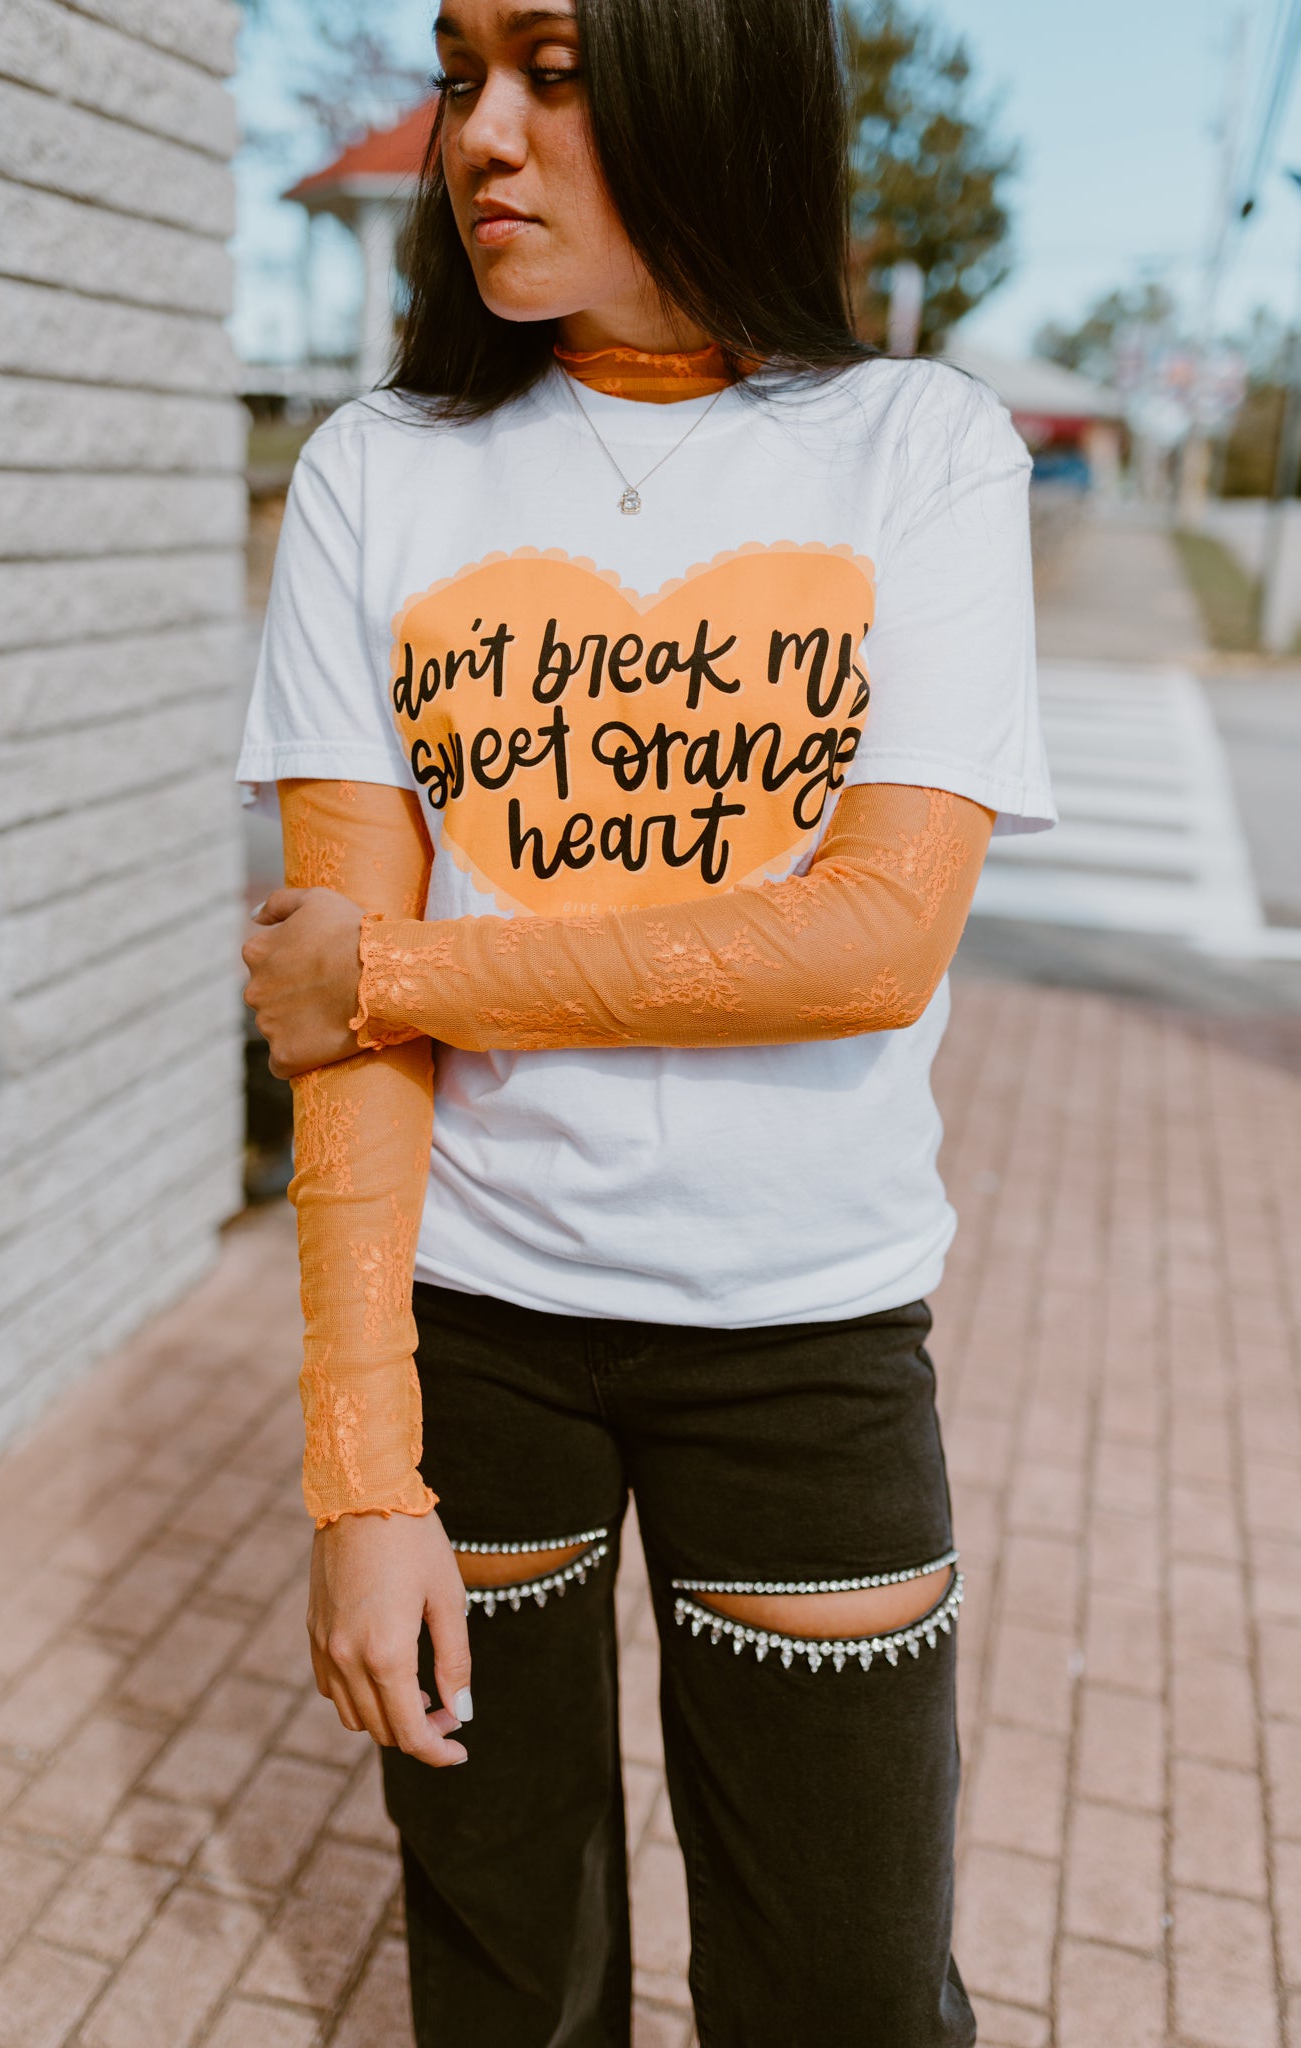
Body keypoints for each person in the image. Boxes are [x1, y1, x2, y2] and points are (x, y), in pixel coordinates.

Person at [237, 1, 1053, 2039]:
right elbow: (352, 1071)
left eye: (558, 64)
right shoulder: (378, 471)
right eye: (458, 74)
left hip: (805, 1339)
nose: (483, 136)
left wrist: (402, 964)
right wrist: (360, 1474)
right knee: (508, 1976)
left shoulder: (916, 447)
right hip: (473, 1335)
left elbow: (868, 942)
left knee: (846, 1989)